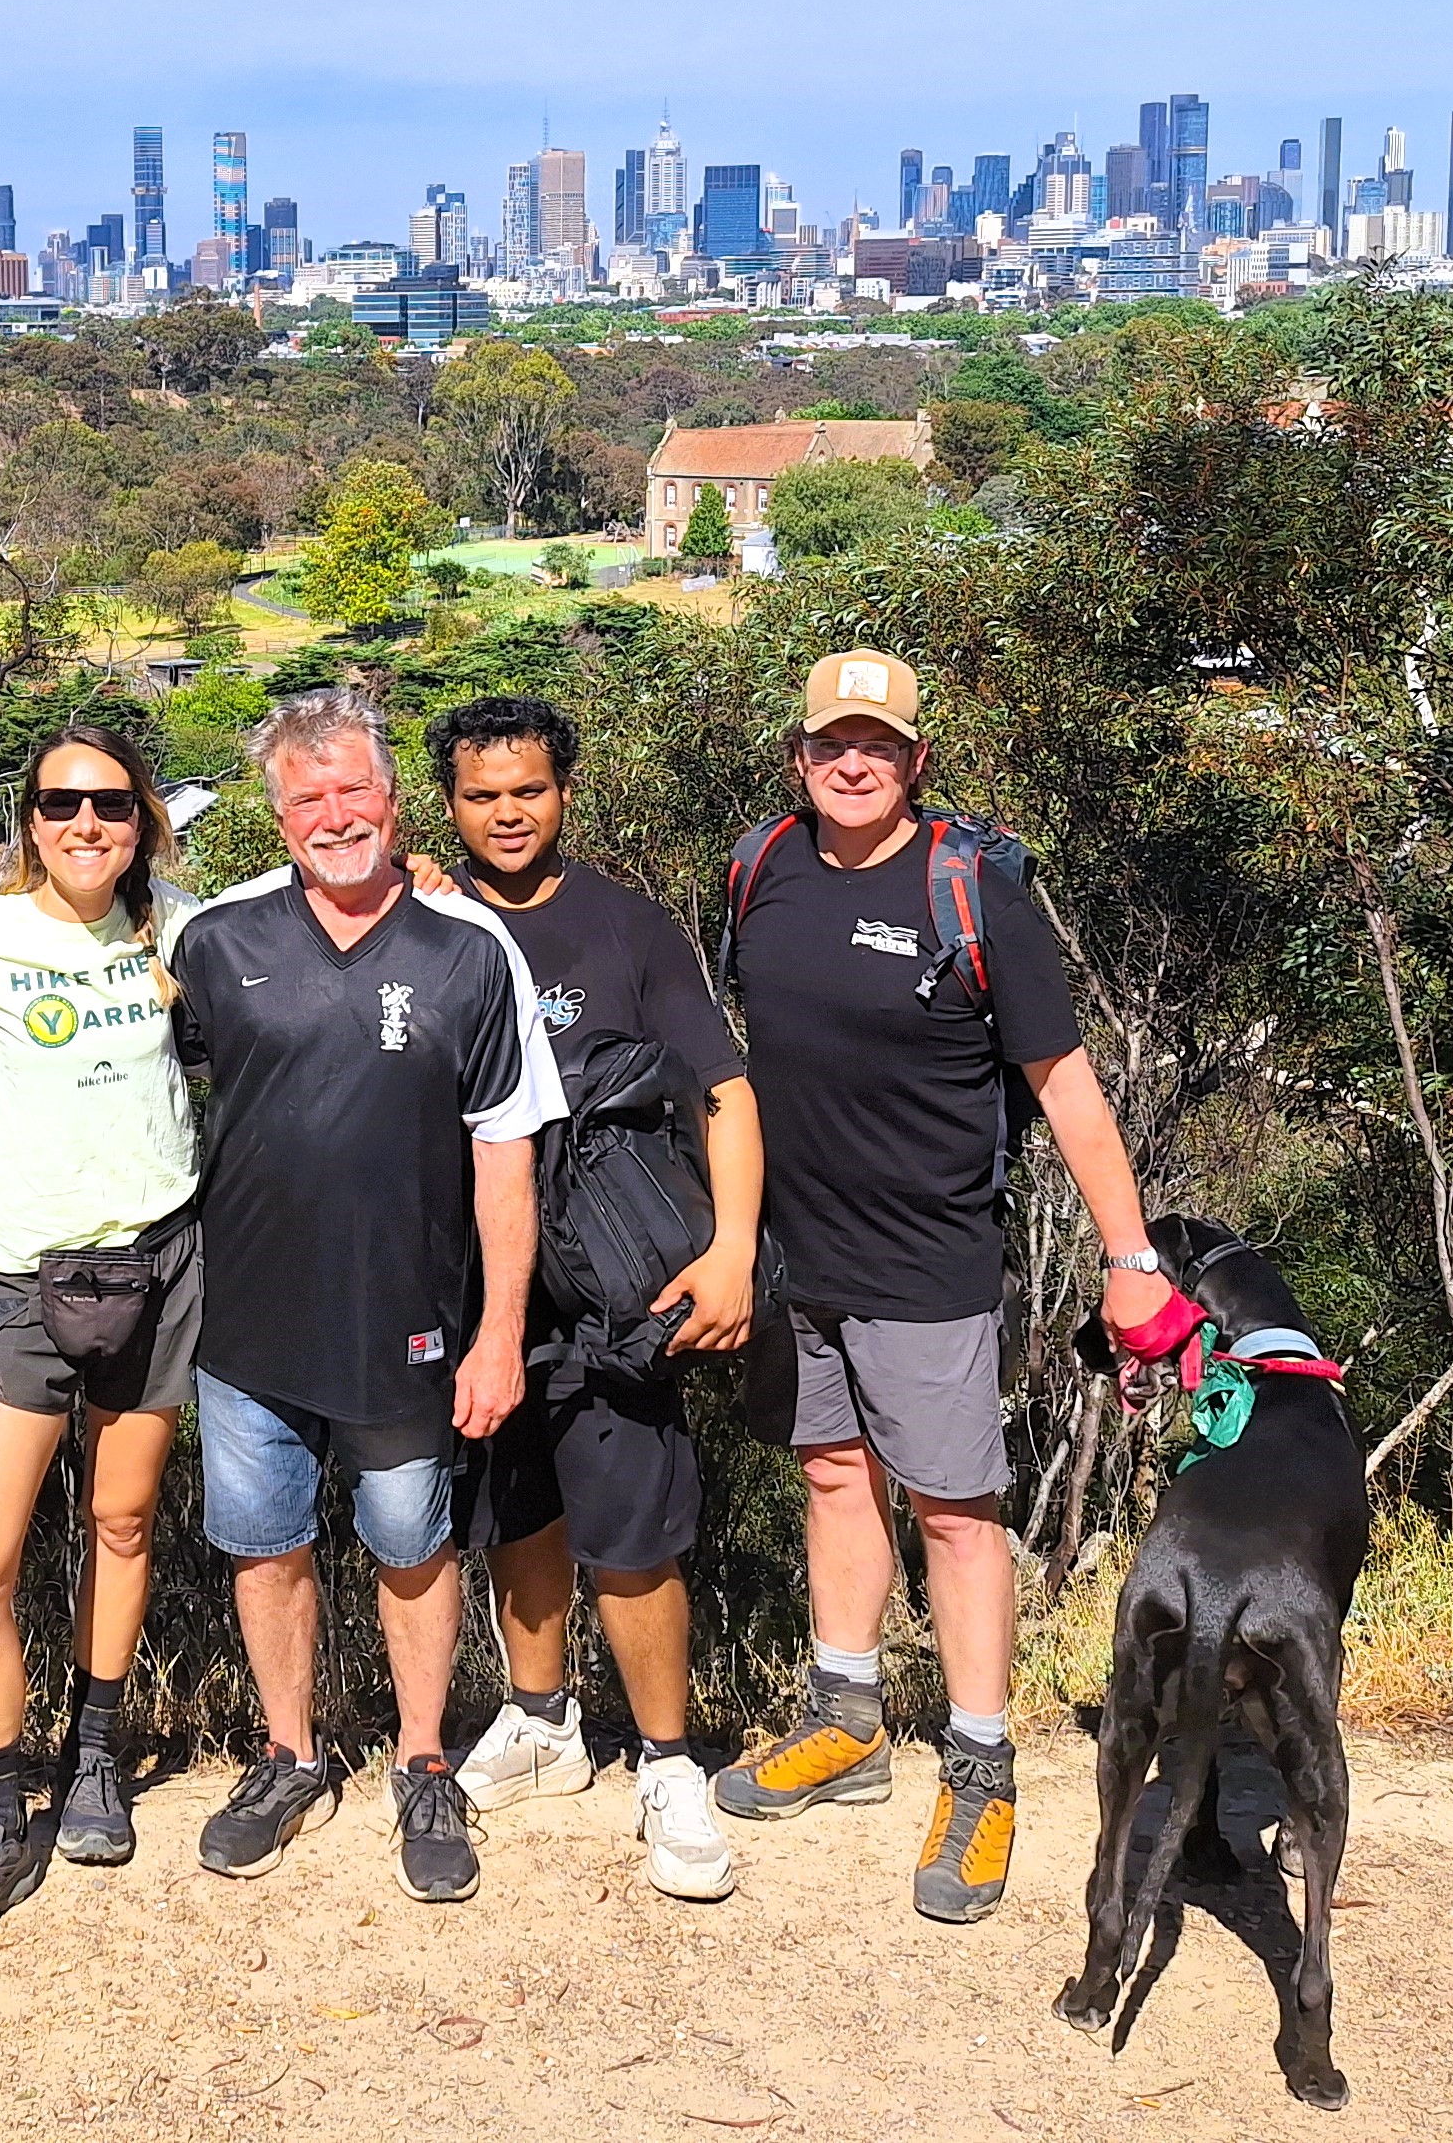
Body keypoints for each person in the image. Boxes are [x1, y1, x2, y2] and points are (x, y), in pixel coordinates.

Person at [712, 648, 1176, 1925]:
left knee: (957, 1512)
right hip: (798, 1251)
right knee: (830, 1473)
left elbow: (1063, 1085)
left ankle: (981, 1766)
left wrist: (1131, 1261)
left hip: (929, 1258)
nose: (850, 763)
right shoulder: (762, 870)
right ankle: (847, 1720)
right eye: (828, 743)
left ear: (917, 760)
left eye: (877, 744)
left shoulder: (974, 889)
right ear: (798, 756)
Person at [172, 686, 559, 1906]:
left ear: (393, 801)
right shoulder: (217, 942)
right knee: (267, 1543)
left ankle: (423, 1758)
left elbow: (508, 1151)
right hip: (248, 1320)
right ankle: (289, 1757)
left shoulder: (468, 948)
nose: (334, 815)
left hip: (412, 1318)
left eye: (354, 790)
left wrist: (500, 1333)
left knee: (411, 1541)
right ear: (276, 815)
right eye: (307, 797)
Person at [417, 694, 758, 1903]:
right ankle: (543, 1718)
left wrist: (731, 1253)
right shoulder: (425, 925)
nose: (507, 813)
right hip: (481, 1284)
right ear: (447, 804)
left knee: (635, 1524)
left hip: (614, 1274)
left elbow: (723, 1087)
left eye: (528, 790)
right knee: (519, 1506)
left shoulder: (626, 927)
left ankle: (668, 1764)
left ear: (566, 790)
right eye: (480, 794)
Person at [0, 724, 199, 1950]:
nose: (87, 826)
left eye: (111, 806)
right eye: (62, 804)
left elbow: (309, 919)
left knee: (121, 1523)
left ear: (142, 821)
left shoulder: (174, 919)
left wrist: (422, 880)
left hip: (164, 1263)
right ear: (28, 820)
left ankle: (99, 1755)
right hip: (24, 1287)